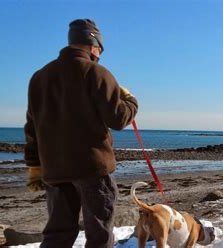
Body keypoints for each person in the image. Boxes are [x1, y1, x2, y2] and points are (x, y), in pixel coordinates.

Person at [24, 19, 138, 248]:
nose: (100, 54)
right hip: (92, 169)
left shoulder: (39, 77)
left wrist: (35, 166)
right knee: (99, 235)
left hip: (55, 170)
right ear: (93, 44)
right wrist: (130, 101)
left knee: (57, 235)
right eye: (100, 49)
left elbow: (31, 127)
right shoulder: (96, 72)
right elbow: (118, 119)